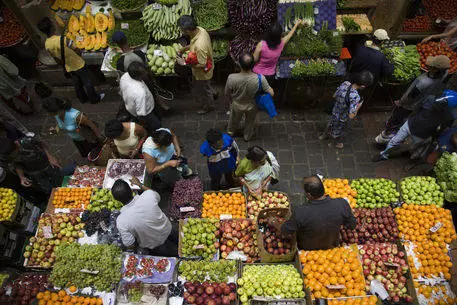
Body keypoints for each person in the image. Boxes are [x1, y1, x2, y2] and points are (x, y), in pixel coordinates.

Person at [268, 175, 356, 251]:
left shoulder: (300, 212)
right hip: (331, 246)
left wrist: (273, 222)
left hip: (308, 249)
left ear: (309, 195)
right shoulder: (342, 204)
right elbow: (352, 225)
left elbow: (285, 230)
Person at [375, 55, 450, 144]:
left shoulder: (423, 82)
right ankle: (393, 128)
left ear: (435, 69)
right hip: (421, 101)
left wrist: (401, 102)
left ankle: (386, 136)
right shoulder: (445, 73)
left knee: (397, 117)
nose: (428, 66)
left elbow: (410, 97)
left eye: (431, 66)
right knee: (405, 117)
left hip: (408, 105)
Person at [373, 90, 457, 162]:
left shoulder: (450, 116)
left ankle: (407, 154)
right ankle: (384, 155)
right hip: (410, 124)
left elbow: (444, 127)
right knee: (394, 141)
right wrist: (408, 119)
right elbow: (417, 109)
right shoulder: (430, 99)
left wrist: (435, 135)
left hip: (422, 134)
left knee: (413, 147)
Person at [37, 17, 104, 104]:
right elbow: (77, 50)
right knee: (88, 82)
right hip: (78, 64)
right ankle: (94, 99)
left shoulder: (47, 44)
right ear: (53, 27)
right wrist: (79, 53)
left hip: (68, 66)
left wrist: (64, 64)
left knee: (77, 84)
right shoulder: (63, 39)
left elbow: (56, 58)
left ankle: (82, 99)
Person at [112, 178, 177, 256]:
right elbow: (156, 195)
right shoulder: (148, 195)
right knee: (181, 242)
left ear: (117, 200)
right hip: (168, 228)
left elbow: (130, 244)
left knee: (175, 254)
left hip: (155, 245)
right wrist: (140, 184)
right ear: (131, 190)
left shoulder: (121, 221)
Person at [319, 71, 374, 149]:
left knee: (330, 123)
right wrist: (359, 105)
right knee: (339, 131)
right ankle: (336, 143)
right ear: (362, 86)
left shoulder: (345, 83)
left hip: (335, 111)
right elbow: (351, 115)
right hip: (342, 118)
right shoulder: (355, 97)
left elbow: (334, 96)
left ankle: (324, 135)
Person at [226, 53, 274, 142]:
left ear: (239, 64)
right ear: (253, 65)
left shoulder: (231, 78)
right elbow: (271, 93)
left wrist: (229, 100)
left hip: (237, 104)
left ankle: (231, 132)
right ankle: (247, 136)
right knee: (250, 122)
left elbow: (227, 93)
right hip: (252, 105)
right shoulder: (260, 78)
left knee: (234, 120)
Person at [176, 15, 216, 115]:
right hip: (207, 66)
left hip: (202, 72)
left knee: (203, 90)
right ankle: (212, 92)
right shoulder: (201, 30)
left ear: (188, 31)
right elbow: (194, 45)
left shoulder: (200, 46)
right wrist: (184, 49)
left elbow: (202, 64)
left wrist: (184, 63)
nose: (181, 31)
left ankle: (208, 106)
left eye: (182, 30)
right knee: (207, 86)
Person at [119, 62, 161, 134]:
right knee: (156, 125)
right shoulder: (140, 93)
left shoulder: (125, 76)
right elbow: (141, 114)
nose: (147, 73)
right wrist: (142, 126)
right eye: (145, 73)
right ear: (139, 77)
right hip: (146, 112)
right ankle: (155, 134)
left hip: (130, 107)